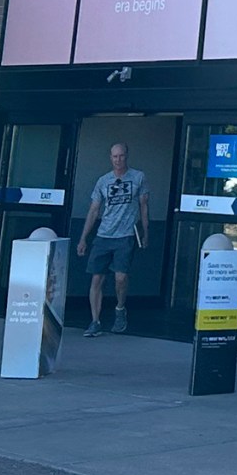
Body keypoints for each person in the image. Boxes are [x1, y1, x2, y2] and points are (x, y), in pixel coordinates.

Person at [76, 143, 149, 335]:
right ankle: (95, 321)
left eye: (122, 156)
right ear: (110, 157)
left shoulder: (138, 177)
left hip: (126, 235)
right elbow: (94, 209)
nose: (118, 160)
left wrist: (145, 231)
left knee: (120, 277)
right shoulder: (103, 181)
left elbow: (143, 206)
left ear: (127, 156)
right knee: (97, 278)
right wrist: (83, 238)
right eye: (115, 157)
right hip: (103, 235)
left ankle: (120, 308)